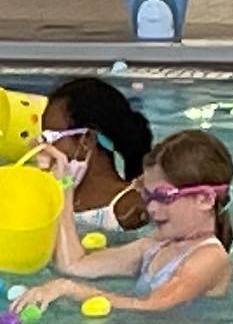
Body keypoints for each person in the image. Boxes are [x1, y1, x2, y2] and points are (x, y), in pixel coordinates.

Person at [13, 130, 233, 316]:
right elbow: (73, 264)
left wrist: (69, 289)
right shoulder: (158, 245)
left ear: (204, 199)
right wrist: (63, 185)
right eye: (147, 194)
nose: (151, 208)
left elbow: (152, 308)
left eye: (164, 196)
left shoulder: (209, 258)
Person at [36, 78, 153, 233]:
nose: (43, 148)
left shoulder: (130, 210)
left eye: (50, 138)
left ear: (87, 139)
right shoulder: (53, 202)